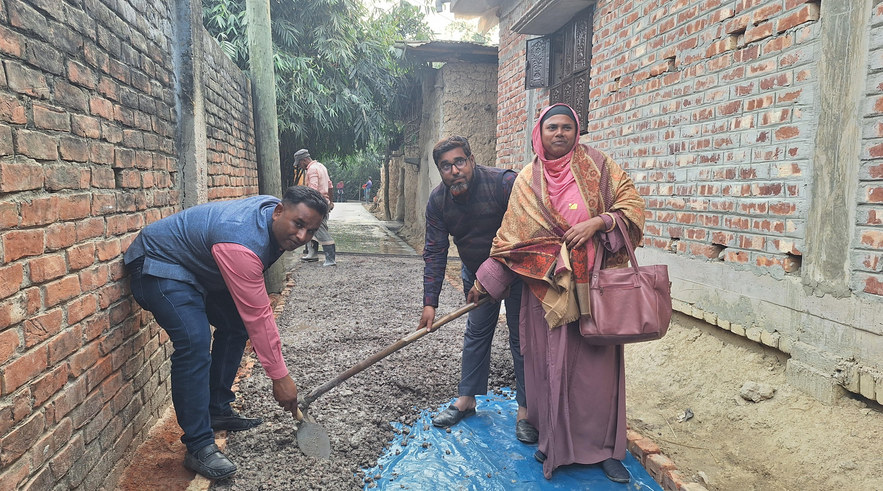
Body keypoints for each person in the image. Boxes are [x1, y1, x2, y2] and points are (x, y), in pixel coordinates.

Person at [470, 104, 645, 483]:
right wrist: (486, 281)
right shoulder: (527, 180)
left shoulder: (599, 166)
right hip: (545, 291)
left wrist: (598, 222)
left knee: (598, 372)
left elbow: (632, 206)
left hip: (593, 288)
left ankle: (604, 450)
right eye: (553, 127)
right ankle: (554, 442)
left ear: (576, 131)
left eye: (567, 127)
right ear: (541, 132)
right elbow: (511, 239)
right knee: (548, 367)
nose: (560, 133)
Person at [123, 186, 328, 480]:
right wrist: (280, 378)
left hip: (198, 269)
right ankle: (198, 445)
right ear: (280, 212)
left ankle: (216, 408)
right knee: (194, 343)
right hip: (158, 264)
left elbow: (251, 316)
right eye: (299, 224)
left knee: (235, 325)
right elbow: (259, 315)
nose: (302, 237)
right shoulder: (241, 244)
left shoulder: (270, 212)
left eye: (311, 231)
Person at [418, 136, 538, 445]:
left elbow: (528, 231)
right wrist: (429, 303)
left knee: (521, 337)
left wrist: (495, 275)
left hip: (518, 270)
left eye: (459, 162)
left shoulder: (503, 184)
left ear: (472, 160)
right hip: (475, 275)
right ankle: (467, 399)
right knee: (476, 332)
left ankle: (526, 410)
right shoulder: (438, 202)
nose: (454, 170)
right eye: (446, 166)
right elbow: (435, 251)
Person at [294, 149, 337, 266]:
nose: (300, 166)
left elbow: (313, 189)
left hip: (318, 204)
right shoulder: (321, 166)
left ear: (304, 160)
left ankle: (330, 259)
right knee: (310, 227)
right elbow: (330, 186)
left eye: (299, 163)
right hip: (325, 201)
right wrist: (331, 202)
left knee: (320, 229)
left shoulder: (311, 169)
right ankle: (312, 254)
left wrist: (308, 205)